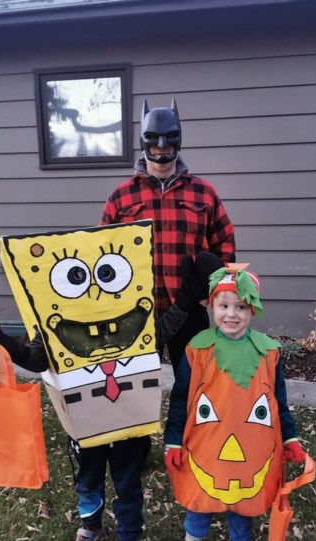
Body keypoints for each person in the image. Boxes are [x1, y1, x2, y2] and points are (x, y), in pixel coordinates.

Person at [0, 251, 222, 541]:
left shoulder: (134, 318)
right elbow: (41, 356)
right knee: (87, 480)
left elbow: (159, 332)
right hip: (83, 421)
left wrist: (188, 298)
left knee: (128, 485)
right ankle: (91, 526)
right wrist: (13, 350)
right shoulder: (60, 324)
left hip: (129, 420)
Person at [163, 267, 306, 541]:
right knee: (200, 497)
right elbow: (180, 400)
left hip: (252, 448)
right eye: (224, 306)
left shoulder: (268, 352)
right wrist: (173, 442)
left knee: (244, 498)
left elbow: (277, 402)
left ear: (251, 309)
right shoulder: (197, 349)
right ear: (211, 307)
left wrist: (290, 437)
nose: (232, 314)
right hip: (205, 444)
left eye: (240, 307)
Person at [101, 99, 236, 374]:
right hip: (135, 310)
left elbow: (225, 244)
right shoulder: (120, 196)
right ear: (144, 143)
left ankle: (189, 419)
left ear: (178, 142)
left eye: (168, 142)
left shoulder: (203, 192)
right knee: (133, 388)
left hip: (188, 306)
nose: (161, 148)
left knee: (194, 383)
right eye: (154, 142)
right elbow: (102, 252)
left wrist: (214, 294)